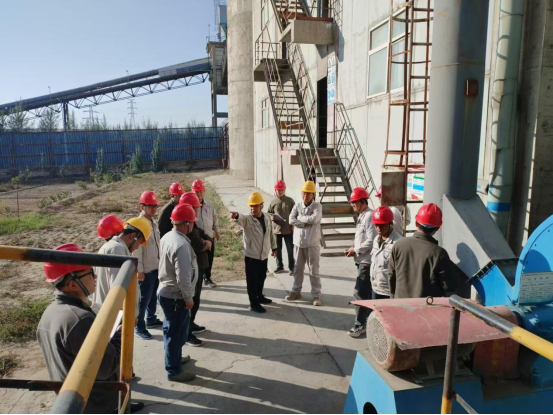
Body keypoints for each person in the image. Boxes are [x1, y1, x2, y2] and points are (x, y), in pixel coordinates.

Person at [37, 244, 144, 414]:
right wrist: (122, 332)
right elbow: (106, 367)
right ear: (73, 284)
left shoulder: (50, 312)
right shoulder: (80, 319)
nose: (95, 276)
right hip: (96, 403)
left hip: (73, 396)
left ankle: (125, 405)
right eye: (90, 272)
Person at [158, 203, 199, 383]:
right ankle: (174, 370)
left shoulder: (168, 236)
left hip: (168, 293)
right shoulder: (181, 244)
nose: (193, 225)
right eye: (192, 222)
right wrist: (188, 297)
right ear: (186, 223)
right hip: (176, 296)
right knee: (175, 333)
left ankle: (174, 358)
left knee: (172, 330)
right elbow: (183, 275)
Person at [388, 203, 458, 299]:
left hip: (399, 304)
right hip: (426, 307)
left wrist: (393, 299)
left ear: (416, 223)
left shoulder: (399, 245)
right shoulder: (439, 253)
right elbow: (449, 287)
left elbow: (391, 276)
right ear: (437, 228)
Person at [92, 217, 151, 316]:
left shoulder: (113, 247)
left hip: (111, 314)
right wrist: (127, 315)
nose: (137, 247)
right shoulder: (117, 249)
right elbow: (119, 289)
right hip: (115, 316)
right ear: (133, 236)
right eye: (139, 243)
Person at [231, 192, 278, 314]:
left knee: (261, 277)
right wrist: (236, 216)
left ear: (261, 205)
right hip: (252, 257)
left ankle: (259, 296)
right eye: (251, 206)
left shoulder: (267, 217)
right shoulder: (247, 219)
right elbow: (240, 218)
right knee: (252, 281)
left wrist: (274, 247)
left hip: (263, 256)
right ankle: (253, 303)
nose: (253, 209)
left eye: (255, 206)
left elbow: (270, 234)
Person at [180, 192, 213, 348]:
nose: (198, 210)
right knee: (192, 301)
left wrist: (208, 241)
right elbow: (199, 245)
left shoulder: (193, 225)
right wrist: (206, 244)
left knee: (196, 300)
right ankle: (186, 333)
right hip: (193, 269)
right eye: (196, 207)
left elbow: (205, 235)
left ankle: (190, 325)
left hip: (199, 267)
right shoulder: (188, 229)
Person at [344, 188, 377, 338]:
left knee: (359, 293)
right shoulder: (362, 216)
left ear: (363, 201)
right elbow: (360, 238)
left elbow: (370, 241)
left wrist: (355, 250)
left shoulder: (369, 216)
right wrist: (352, 247)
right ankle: (368, 322)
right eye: (352, 202)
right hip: (361, 260)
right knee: (366, 293)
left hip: (366, 261)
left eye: (355, 202)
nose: (353, 205)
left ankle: (359, 325)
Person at [285, 181, 323, 307]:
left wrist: (300, 218)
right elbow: (291, 219)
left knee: (314, 271)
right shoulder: (297, 205)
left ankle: (316, 295)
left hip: (312, 243)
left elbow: (314, 219)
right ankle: (296, 291)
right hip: (298, 243)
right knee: (297, 269)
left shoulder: (317, 207)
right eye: (303, 193)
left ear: (313, 194)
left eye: (308, 194)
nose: (305, 196)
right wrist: (303, 223)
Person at [132, 191, 163, 340]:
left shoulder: (153, 222)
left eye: (155, 206)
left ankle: (151, 319)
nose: (153, 209)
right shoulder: (139, 225)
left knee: (152, 297)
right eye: (150, 206)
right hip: (146, 270)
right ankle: (139, 327)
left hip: (155, 266)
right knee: (143, 300)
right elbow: (136, 250)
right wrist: (140, 270)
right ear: (142, 206)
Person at [192, 179, 221, 288]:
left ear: (204, 191)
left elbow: (214, 218)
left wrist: (217, 231)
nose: (199, 194)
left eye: (201, 191)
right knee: (200, 260)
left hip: (209, 236)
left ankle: (207, 278)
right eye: (196, 191)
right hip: (198, 239)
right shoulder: (190, 206)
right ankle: (200, 279)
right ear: (192, 192)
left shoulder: (209, 204)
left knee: (210, 258)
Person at [268, 180, 296, 275]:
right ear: (275, 190)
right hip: (277, 230)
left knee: (290, 250)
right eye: (278, 190)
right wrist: (271, 217)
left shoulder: (290, 201)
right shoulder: (273, 202)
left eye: (282, 190)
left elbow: (295, 214)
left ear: (285, 190)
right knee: (277, 250)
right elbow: (269, 213)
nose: (280, 192)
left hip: (288, 230)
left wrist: (293, 225)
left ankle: (292, 267)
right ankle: (280, 266)